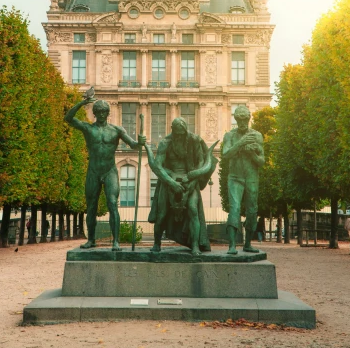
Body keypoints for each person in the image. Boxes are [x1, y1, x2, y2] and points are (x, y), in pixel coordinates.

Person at [65, 96, 145, 251]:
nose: (102, 113)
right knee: (91, 207)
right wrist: (82, 103)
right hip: (93, 171)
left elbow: (134, 145)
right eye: (99, 111)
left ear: (108, 113)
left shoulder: (117, 130)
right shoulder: (88, 129)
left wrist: (140, 142)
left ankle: (116, 241)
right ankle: (91, 240)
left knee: (113, 204)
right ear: (94, 113)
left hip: (110, 171)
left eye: (104, 111)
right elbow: (68, 118)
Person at [145, 118, 218, 255]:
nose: (179, 136)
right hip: (168, 181)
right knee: (161, 214)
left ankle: (195, 245)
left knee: (192, 209)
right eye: (176, 134)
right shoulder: (165, 143)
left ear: (186, 131)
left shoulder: (194, 140)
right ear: (172, 130)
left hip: (190, 180)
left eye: (181, 134)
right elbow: (158, 167)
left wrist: (191, 180)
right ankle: (157, 243)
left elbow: (201, 163)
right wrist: (172, 182)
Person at [221, 105, 265, 254]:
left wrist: (252, 153)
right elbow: (226, 154)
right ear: (235, 119)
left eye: (244, 118)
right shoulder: (230, 136)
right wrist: (241, 143)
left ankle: (247, 244)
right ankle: (232, 246)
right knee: (235, 209)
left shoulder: (257, 135)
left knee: (252, 211)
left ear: (249, 118)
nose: (242, 122)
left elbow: (261, 161)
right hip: (235, 177)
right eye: (239, 119)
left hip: (252, 177)